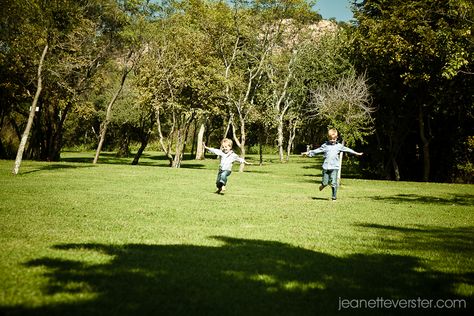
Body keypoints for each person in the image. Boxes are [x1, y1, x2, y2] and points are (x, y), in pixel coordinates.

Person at [302, 128, 363, 201]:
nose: (333, 140)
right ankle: (323, 185)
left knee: (334, 183)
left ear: (337, 138)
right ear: (328, 138)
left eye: (334, 139)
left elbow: (347, 149)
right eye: (331, 139)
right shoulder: (325, 145)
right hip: (326, 167)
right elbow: (317, 151)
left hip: (334, 167)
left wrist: (356, 153)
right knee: (325, 183)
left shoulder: (339, 146)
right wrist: (308, 153)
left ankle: (334, 197)